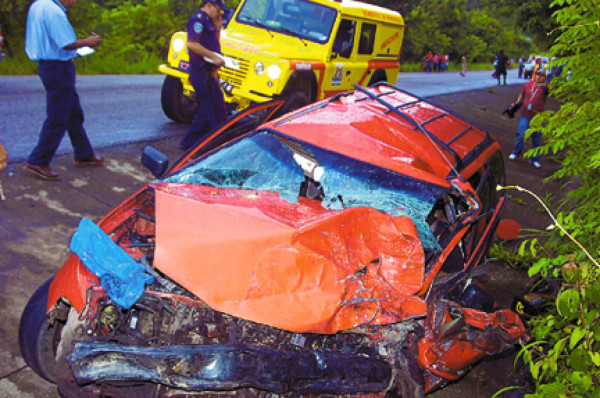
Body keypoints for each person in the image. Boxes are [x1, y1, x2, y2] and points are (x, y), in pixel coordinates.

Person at [24, 0, 104, 180]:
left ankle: (84, 153)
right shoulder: (54, 12)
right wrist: (89, 42)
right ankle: (38, 160)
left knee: (73, 112)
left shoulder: (39, 5)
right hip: (58, 67)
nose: (74, 2)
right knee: (58, 115)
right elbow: (66, 43)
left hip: (49, 65)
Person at [179, 0, 228, 150]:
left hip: (209, 72)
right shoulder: (198, 20)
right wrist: (213, 58)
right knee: (208, 112)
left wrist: (219, 28)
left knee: (220, 108)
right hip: (200, 72)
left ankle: (218, 141)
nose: (220, 13)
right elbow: (192, 44)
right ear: (209, 5)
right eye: (218, 9)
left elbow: (213, 44)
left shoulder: (210, 22)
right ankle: (190, 144)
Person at [508, 70, 549, 168]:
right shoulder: (528, 85)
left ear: (545, 77)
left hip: (538, 117)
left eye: (542, 75)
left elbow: (549, 89)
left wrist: (542, 85)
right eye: (537, 75)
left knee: (536, 138)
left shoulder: (546, 87)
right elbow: (522, 94)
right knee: (521, 134)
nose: (539, 77)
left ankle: (534, 159)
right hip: (525, 115)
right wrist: (517, 102)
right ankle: (516, 152)